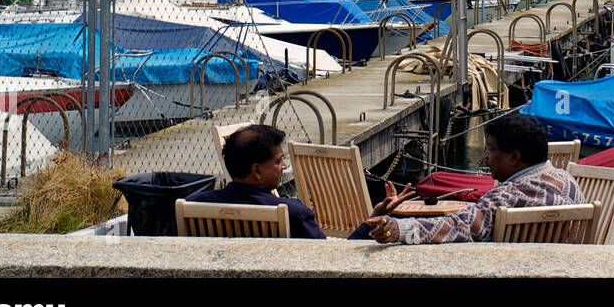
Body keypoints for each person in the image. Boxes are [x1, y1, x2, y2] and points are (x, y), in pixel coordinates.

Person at [366, 114, 582, 244]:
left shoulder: (505, 198)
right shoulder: (568, 181)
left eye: (490, 149)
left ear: (514, 157)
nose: (486, 156)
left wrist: (400, 229)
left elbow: (459, 225)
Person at [185, 124, 325, 239]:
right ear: (256, 170)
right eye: (278, 161)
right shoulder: (294, 213)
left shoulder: (191, 207)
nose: (284, 165)